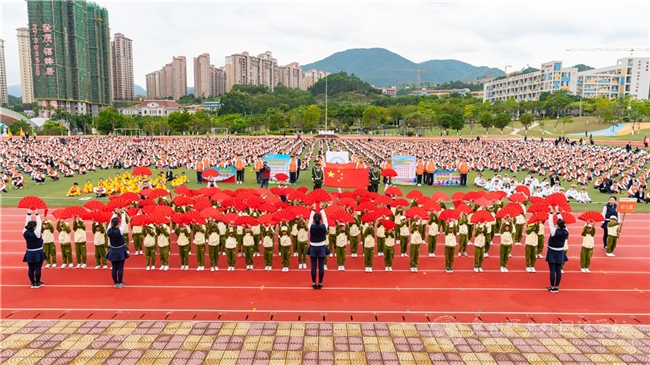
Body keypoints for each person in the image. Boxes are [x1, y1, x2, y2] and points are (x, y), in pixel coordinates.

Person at [546, 207, 569, 293]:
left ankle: (552, 287)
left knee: (552, 270)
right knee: (558, 270)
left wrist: (551, 213)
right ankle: (556, 287)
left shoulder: (554, 231)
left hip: (552, 251)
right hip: (560, 251)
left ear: (557, 225)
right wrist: (558, 212)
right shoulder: (566, 231)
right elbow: (562, 222)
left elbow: (550, 223)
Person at [306, 207, 329, 289]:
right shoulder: (324, 226)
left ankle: (313, 282)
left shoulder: (311, 227)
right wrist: (322, 209)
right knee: (321, 266)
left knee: (313, 266)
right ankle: (320, 283)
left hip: (313, 247)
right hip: (321, 247)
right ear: (320, 219)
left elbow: (309, 220)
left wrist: (313, 210)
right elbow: (326, 220)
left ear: (314, 220)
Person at [105, 210, 129, 288]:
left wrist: (115, 213)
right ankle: (120, 282)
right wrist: (122, 213)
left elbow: (110, 223)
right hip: (120, 250)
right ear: (118, 223)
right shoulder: (120, 230)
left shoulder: (108, 230)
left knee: (114, 267)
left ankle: (115, 283)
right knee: (120, 267)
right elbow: (124, 223)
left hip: (113, 250)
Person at [23, 209, 46, 288]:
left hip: (29, 252)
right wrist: (37, 214)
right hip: (38, 252)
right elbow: (39, 224)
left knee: (31, 269)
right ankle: (38, 282)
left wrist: (28, 214)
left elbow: (26, 223)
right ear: (34, 227)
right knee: (38, 268)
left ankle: (33, 283)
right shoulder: (36, 233)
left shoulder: (24, 232)